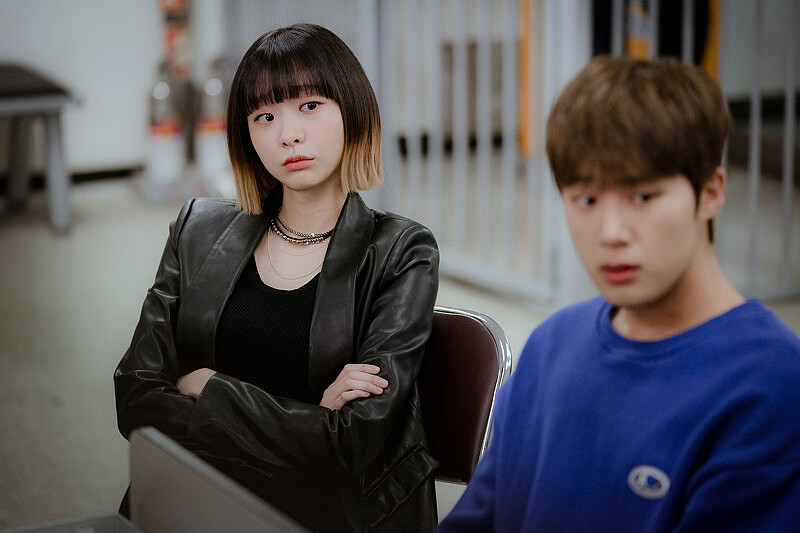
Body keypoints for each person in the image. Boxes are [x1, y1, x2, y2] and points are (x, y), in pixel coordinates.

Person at [438, 56, 800, 532]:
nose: (610, 233)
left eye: (642, 196)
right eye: (586, 199)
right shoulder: (552, 345)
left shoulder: (769, 385)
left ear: (711, 192)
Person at [115, 23, 440, 532]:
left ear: (352, 111)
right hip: (193, 500)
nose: (288, 134)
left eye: (309, 106)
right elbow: (135, 398)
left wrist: (207, 387)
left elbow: (350, 442)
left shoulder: (401, 252)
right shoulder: (196, 230)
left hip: (319, 515)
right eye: (265, 116)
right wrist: (313, 414)